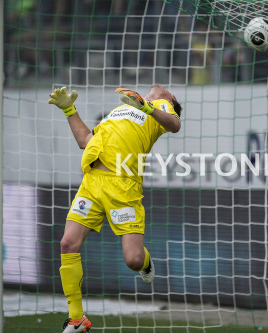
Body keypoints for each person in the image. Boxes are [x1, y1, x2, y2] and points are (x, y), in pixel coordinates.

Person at [48, 85, 182, 333]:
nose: (162, 87)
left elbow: (175, 125)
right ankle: (77, 319)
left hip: (123, 187)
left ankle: (145, 262)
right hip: (92, 184)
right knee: (67, 243)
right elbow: (85, 141)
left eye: (168, 90)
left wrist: (147, 107)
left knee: (133, 260)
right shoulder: (122, 108)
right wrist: (69, 109)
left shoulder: (160, 109)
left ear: (170, 100)